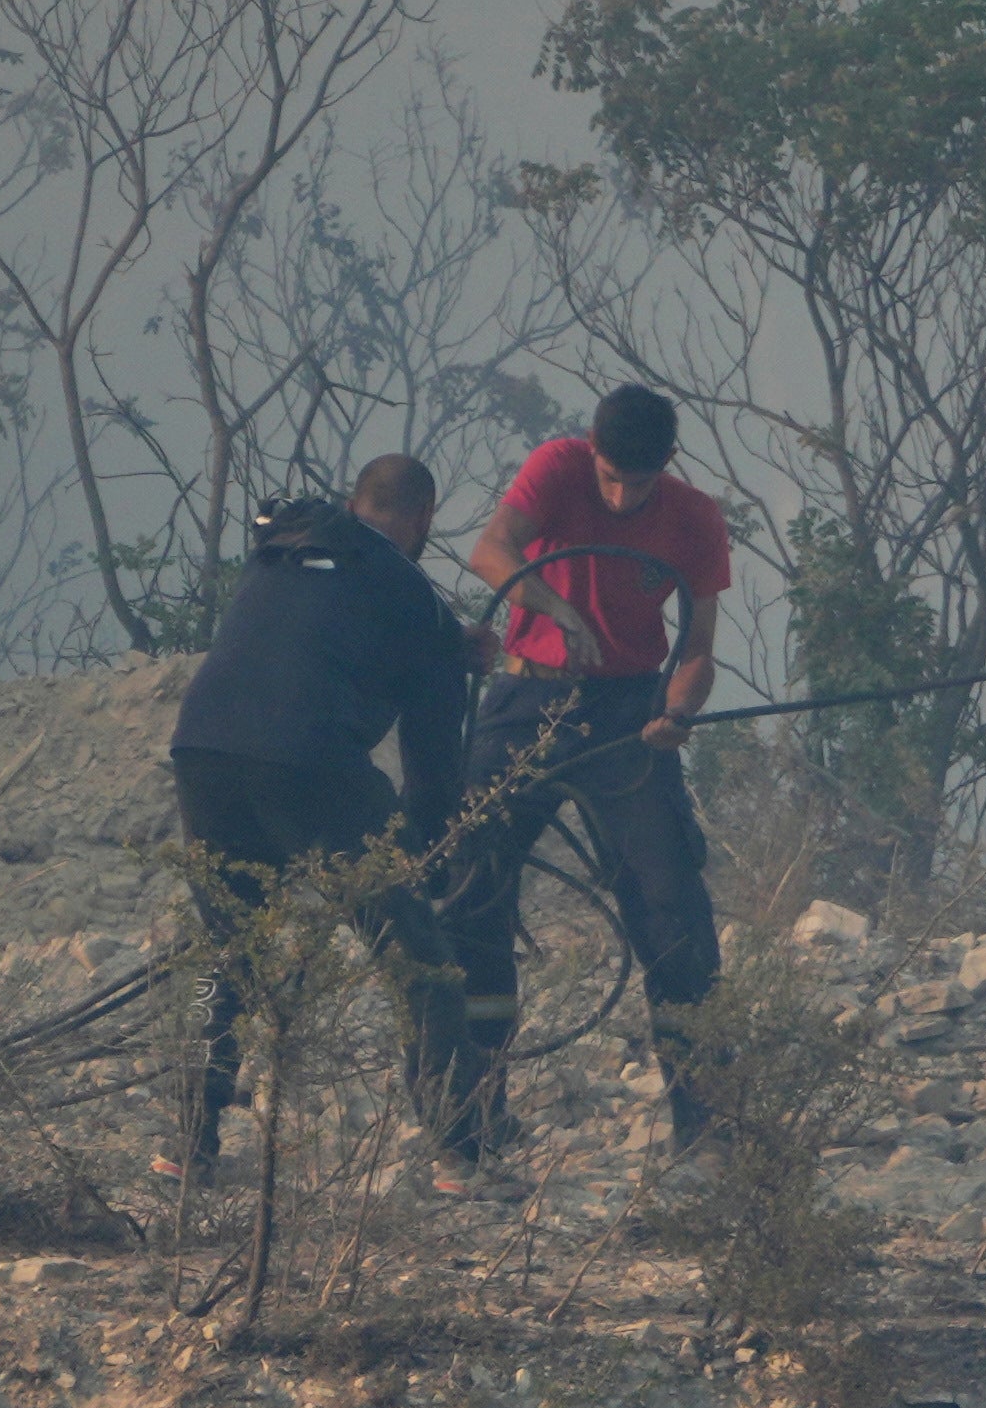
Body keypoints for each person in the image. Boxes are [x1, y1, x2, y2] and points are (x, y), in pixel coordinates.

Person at [435, 380, 731, 1164]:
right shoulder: (557, 466)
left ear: (666, 464)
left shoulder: (696, 516)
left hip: (628, 711)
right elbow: (491, 546)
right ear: (591, 450)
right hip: (525, 696)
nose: (622, 492)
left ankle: (707, 1131)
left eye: (639, 481)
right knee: (470, 887)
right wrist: (554, 608)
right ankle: (473, 1118)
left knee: (672, 907)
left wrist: (679, 710)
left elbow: (698, 645)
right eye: (611, 475)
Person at [157, 451, 469, 1172]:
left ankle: (187, 1139)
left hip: (201, 749)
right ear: (422, 518)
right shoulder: (414, 594)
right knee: (419, 959)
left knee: (227, 946)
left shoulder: (278, 553)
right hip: (312, 761)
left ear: (356, 505)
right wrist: (428, 852)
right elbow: (431, 760)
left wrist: (448, 649)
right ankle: (459, 1153)